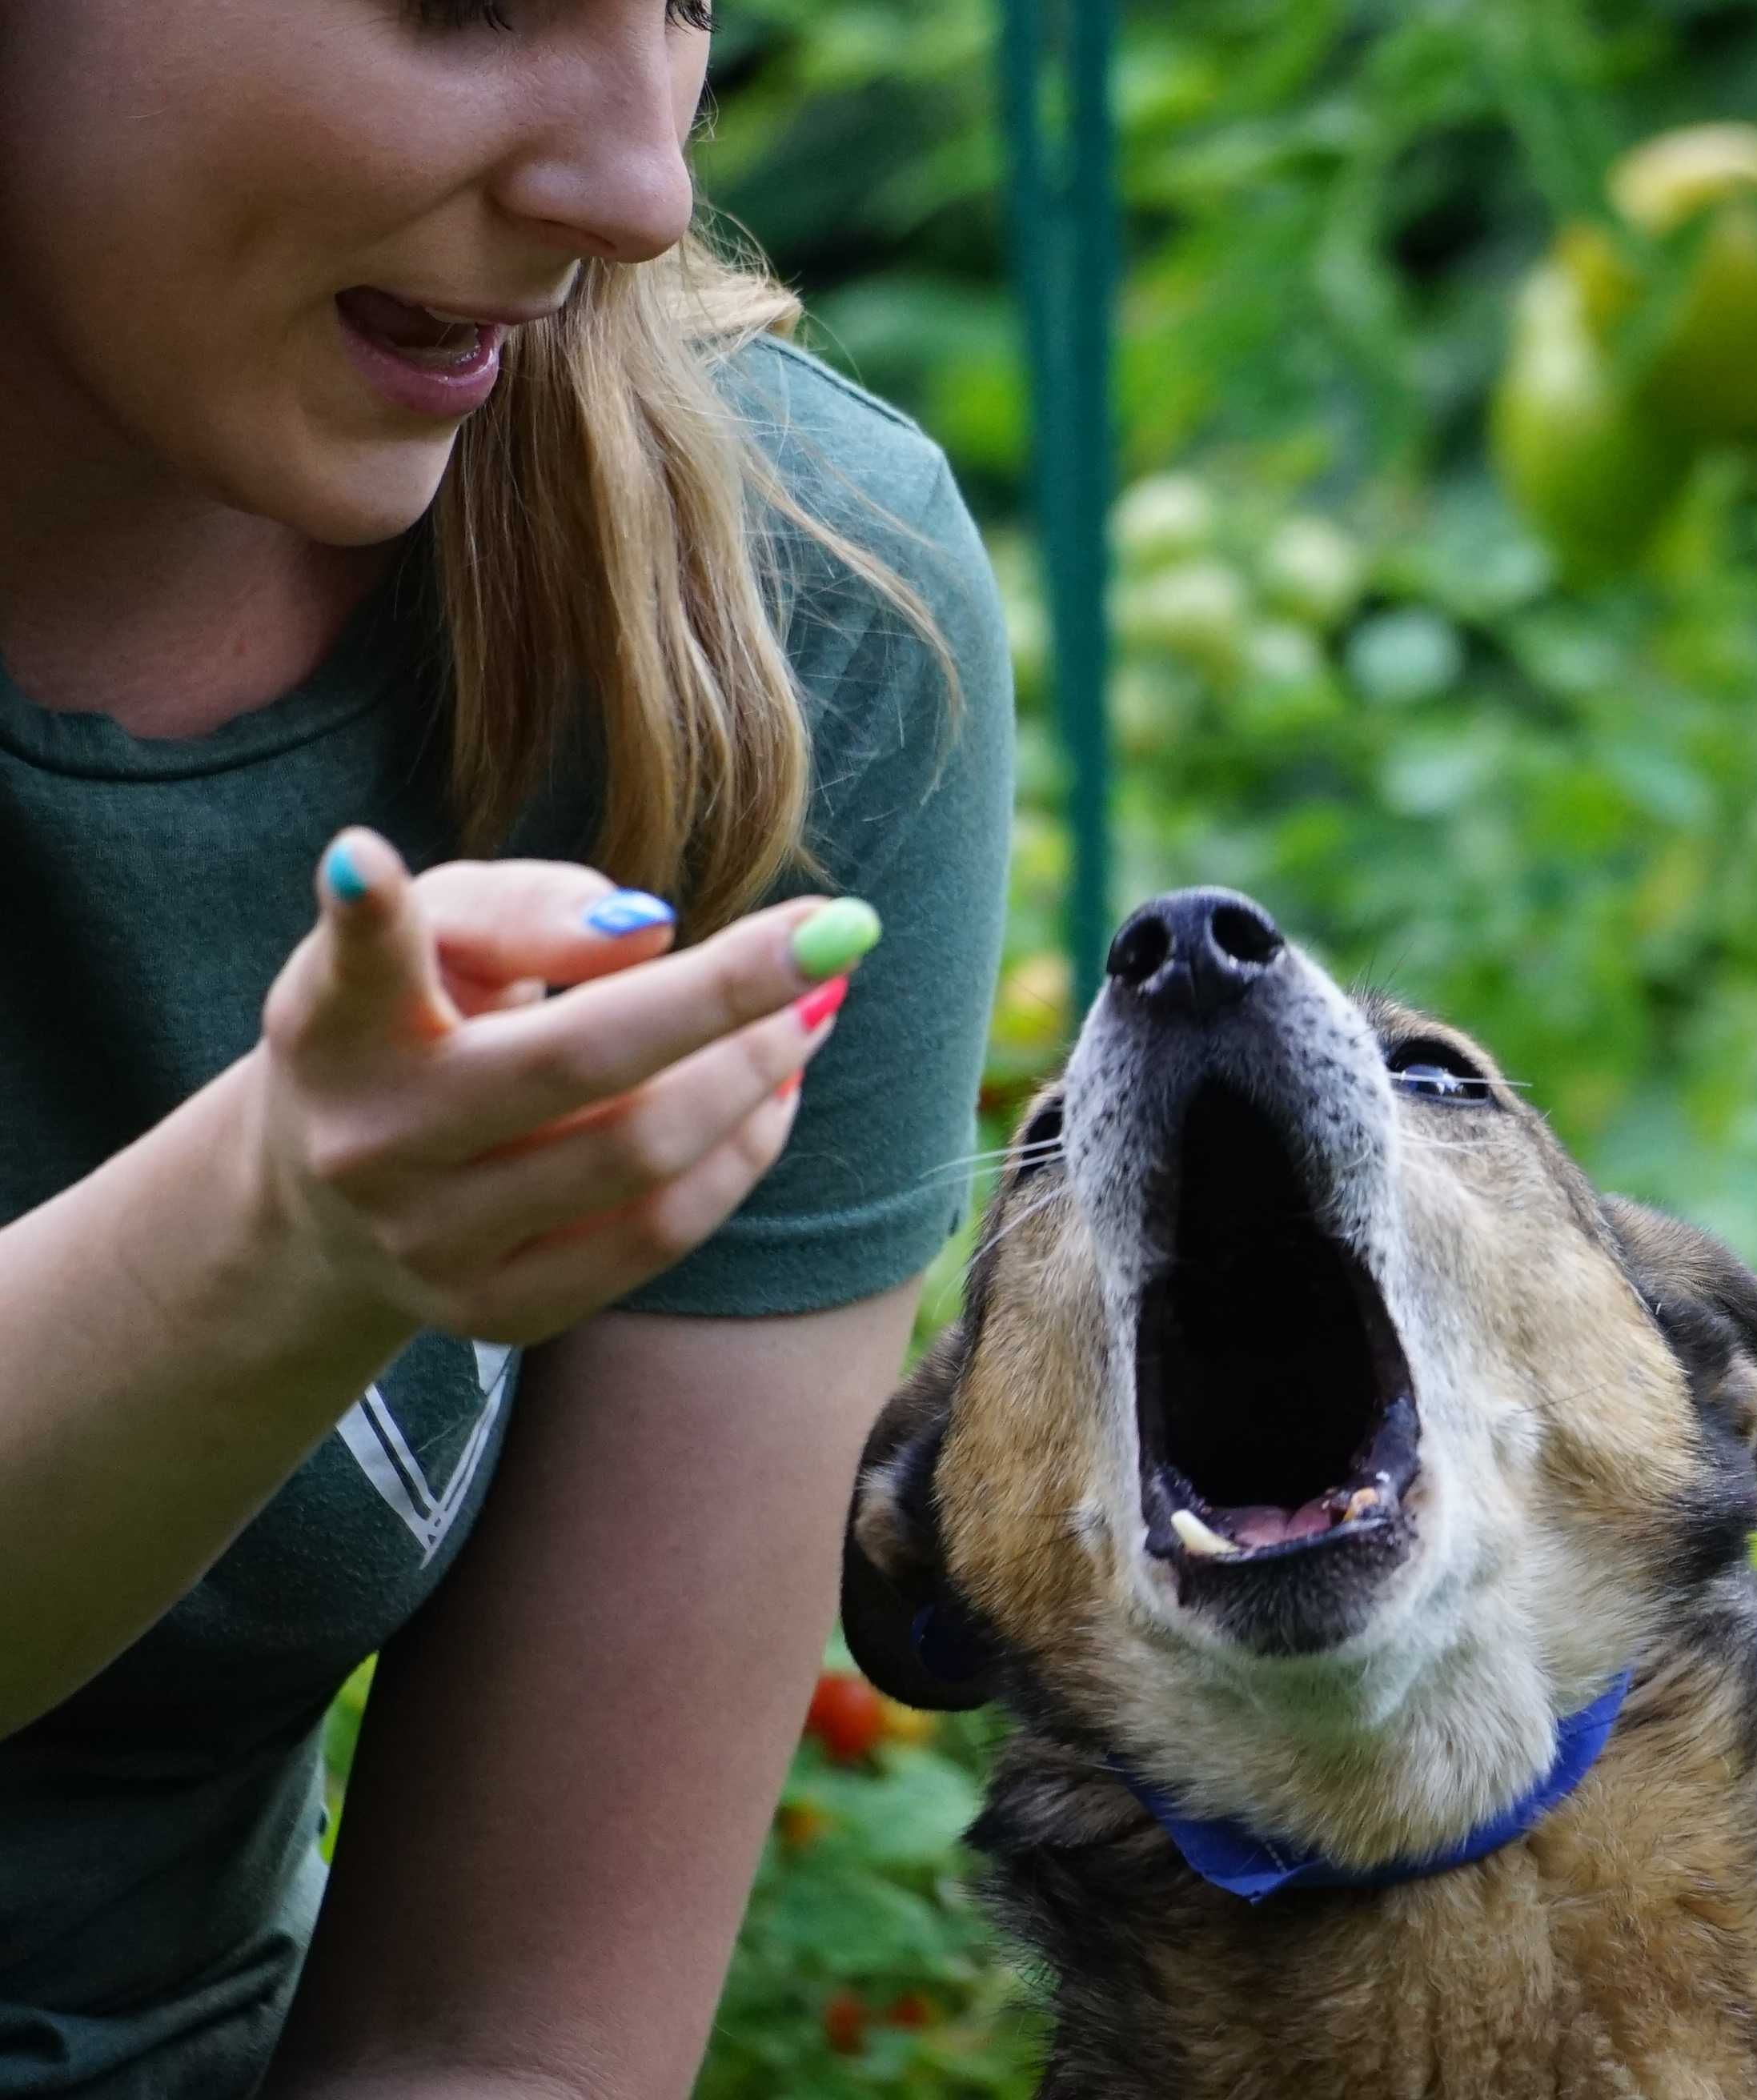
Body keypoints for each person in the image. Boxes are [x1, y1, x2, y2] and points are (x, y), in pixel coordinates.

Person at [0, 3, 1017, 2093]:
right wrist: (283, 1230)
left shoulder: (779, 625)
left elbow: (506, 2042)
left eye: (680, 0)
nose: (641, 189)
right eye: (469, 2)